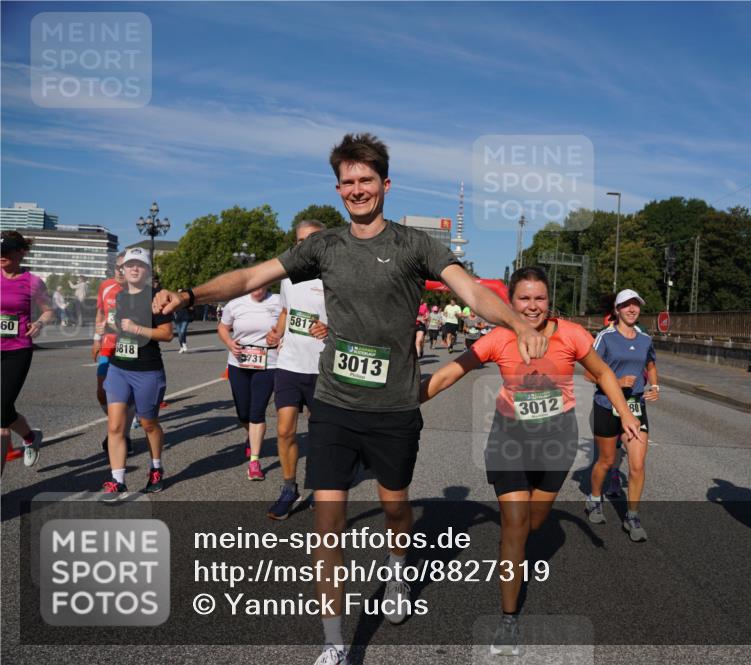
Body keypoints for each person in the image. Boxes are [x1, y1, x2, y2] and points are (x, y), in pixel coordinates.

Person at [153, 132, 546, 665]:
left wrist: (514, 322)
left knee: (396, 511)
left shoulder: (416, 246)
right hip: (334, 406)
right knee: (328, 526)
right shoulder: (324, 246)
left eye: (366, 180)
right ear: (338, 189)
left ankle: (399, 567)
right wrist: (189, 295)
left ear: (386, 184)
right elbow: (252, 275)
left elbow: (472, 291)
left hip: (393, 412)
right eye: (348, 182)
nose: (357, 189)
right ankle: (335, 644)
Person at [420, 266, 640, 656]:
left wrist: (625, 413)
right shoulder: (500, 338)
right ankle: (508, 618)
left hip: (557, 441)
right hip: (510, 439)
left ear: (549, 300)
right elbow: (452, 372)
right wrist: (410, 400)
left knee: (536, 522)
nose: (532, 305)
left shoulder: (572, 334)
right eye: (524, 298)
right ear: (511, 301)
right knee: (516, 526)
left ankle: (516, 544)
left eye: (539, 298)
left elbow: (603, 372)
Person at [264, 219, 329, 518]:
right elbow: (287, 312)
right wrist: (277, 332)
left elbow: (351, 318)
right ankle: (289, 488)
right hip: (289, 364)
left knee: (320, 432)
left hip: (322, 367)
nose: (304, 244)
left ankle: (323, 485)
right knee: (285, 429)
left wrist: (329, 328)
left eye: (311, 239)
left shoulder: (334, 277)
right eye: (300, 240)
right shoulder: (288, 277)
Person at [100, 247, 173, 500]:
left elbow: (167, 334)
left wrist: (138, 328)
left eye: (139, 265)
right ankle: (117, 480)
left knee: (148, 424)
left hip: (147, 370)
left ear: (146, 270)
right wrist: (107, 328)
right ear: (122, 269)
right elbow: (119, 326)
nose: (133, 268)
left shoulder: (157, 298)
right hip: (119, 368)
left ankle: (156, 468)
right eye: (129, 264)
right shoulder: (119, 297)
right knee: (115, 425)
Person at [585, 288, 658, 541]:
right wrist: (615, 380)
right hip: (607, 405)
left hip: (636, 406)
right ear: (616, 310)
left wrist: (655, 386)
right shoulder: (604, 337)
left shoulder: (645, 339)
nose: (631, 309)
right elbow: (588, 373)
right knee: (606, 461)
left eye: (635, 305)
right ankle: (595, 498)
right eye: (626, 305)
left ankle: (632, 516)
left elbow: (650, 364)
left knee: (637, 465)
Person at [1, 231, 53, 471]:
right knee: (4, 410)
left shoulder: (32, 282)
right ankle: (31, 437)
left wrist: (40, 323)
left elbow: (48, 310)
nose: (1, 256)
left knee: (1, 411)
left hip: (17, 350)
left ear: (20, 252)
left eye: (6, 252)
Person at [218, 286, 281, 480]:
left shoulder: (279, 301)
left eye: (262, 284)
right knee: (243, 412)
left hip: (268, 364)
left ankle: (254, 461)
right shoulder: (235, 304)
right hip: (239, 363)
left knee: (257, 412)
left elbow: (287, 326)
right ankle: (249, 434)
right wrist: (229, 343)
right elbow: (222, 327)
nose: (257, 288)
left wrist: (281, 338)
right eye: (254, 284)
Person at [93, 252, 135, 454]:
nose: (119, 271)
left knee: (129, 396)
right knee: (102, 392)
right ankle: (116, 427)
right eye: (117, 267)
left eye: (123, 267)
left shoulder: (140, 290)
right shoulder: (106, 286)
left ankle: (121, 434)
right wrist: (95, 339)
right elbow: (100, 313)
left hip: (130, 346)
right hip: (108, 345)